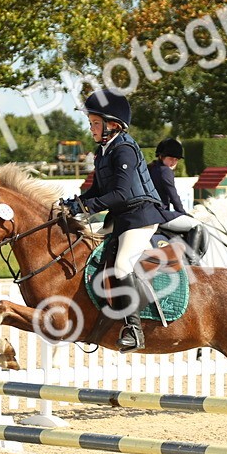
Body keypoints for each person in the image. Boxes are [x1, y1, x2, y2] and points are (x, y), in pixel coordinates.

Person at [59, 90, 174, 353]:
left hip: (140, 217)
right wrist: (74, 204)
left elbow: (121, 194)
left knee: (122, 265)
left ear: (113, 125)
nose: (91, 129)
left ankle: (133, 330)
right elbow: (98, 191)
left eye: (95, 123)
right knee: (86, 251)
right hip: (121, 216)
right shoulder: (104, 152)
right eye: (90, 123)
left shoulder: (124, 150)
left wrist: (86, 206)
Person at [149, 138, 206, 261]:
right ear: (161, 156)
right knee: (196, 225)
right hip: (160, 215)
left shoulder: (151, 168)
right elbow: (173, 195)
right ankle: (192, 262)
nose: (173, 163)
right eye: (171, 159)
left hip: (149, 213)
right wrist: (182, 213)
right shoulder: (165, 171)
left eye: (176, 160)